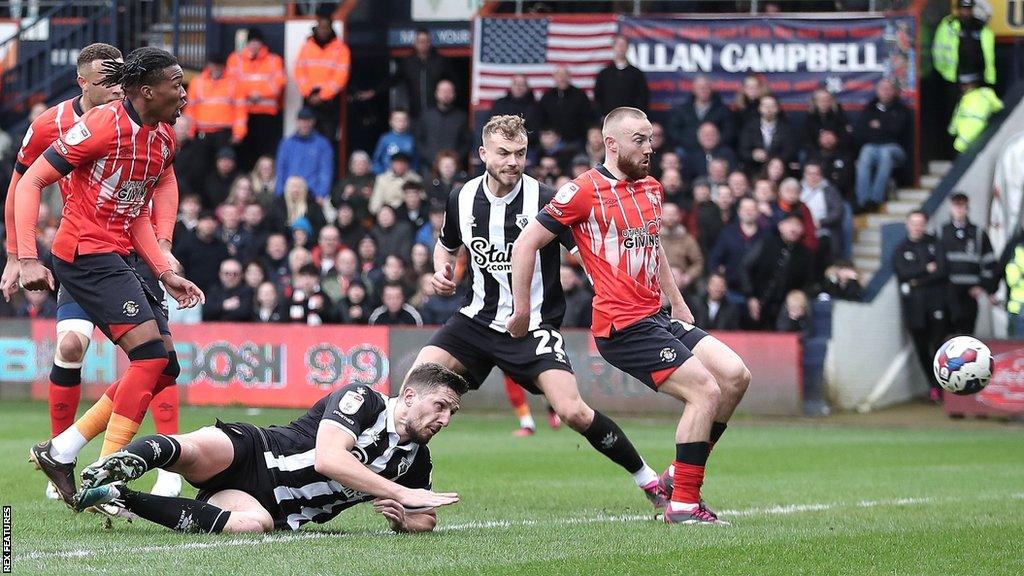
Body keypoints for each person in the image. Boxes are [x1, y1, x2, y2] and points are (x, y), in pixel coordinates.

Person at [413, 114, 667, 510]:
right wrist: (440, 270)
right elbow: (447, 243)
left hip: (532, 327)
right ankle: (408, 485)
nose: (512, 161)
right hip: (474, 321)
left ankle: (647, 479)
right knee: (416, 387)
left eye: (520, 153)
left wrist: (611, 282)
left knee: (573, 411)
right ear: (483, 154)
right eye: (503, 153)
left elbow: (586, 251)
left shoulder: (547, 197)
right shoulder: (460, 197)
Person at [510, 107, 751, 524]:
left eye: (651, 139)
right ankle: (683, 505)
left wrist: (677, 302)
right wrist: (522, 310)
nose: (648, 148)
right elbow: (526, 243)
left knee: (735, 376)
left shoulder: (652, 188)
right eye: (639, 140)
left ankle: (679, 474)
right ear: (611, 144)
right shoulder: (581, 192)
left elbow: (653, 248)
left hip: (657, 315)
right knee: (705, 392)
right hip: (622, 325)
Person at [16, 47, 204, 507]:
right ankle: (105, 473)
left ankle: (61, 450)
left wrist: (163, 269)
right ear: (146, 91)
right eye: (176, 84)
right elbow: (30, 181)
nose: (184, 92)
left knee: (164, 366)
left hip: (119, 256)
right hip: (83, 255)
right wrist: (24, 257)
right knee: (147, 357)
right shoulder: (101, 126)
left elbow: (136, 211)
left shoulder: (162, 140)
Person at [73, 364, 468, 534]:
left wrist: (403, 518)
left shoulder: (415, 460)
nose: (445, 420)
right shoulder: (362, 398)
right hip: (258, 450)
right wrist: (397, 491)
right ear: (411, 395)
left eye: (451, 412)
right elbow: (329, 458)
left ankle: (118, 495)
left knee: (252, 526)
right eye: (440, 407)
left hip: (275, 508)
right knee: (191, 452)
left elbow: (426, 517)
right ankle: (120, 463)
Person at [892, 211, 950, 403]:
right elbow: (903, 273)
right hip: (914, 308)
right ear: (907, 224)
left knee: (939, 346)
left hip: (935, 303)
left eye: (920, 223)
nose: (917, 226)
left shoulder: (935, 244)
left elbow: (941, 271)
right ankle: (933, 385)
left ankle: (942, 386)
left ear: (925, 225)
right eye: (913, 223)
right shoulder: (901, 249)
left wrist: (917, 280)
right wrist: (925, 269)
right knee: (922, 348)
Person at [740, 214, 814, 330]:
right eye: (790, 224)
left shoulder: (805, 254)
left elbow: (809, 283)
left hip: (786, 310)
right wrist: (750, 296)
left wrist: (796, 299)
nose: (793, 229)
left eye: (797, 225)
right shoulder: (766, 244)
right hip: (758, 302)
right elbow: (745, 268)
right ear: (781, 226)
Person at [227, 28, 286, 170]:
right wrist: (250, 93)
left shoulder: (274, 60)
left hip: (266, 115)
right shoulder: (236, 59)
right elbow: (231, 83)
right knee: (244, 152)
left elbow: (279, 83)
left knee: (264, 151)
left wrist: (258, 94)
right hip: (242, 114)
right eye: (251, 41)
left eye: (257, 42)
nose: (254, 45)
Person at [939, 193, 996, 335]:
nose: (959, 209)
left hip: (970, 292)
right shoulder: (941, 232)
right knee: (948, 332)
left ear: (967, 208)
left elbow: (989, 261)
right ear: (951, 208)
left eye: (962, 206)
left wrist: (982, 285)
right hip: (947, 290)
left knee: (967, 331)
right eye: (956, 206)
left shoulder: (977, 233)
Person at [932, 0, 995, 125]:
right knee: (953, 116)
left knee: (977, 114)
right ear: (958, 9)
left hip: (978, 80)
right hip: (954, 80)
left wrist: (988, 79)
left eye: (968, 8)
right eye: (963, 8)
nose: (966, 11)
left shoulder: (980, 27)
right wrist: (945, 72)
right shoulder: (949, 25)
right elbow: (938, 51)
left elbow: (988, 56)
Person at [853, 78, 911, 213]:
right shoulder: (870, 108)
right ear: (877, 91)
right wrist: (885, 127)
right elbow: (863, 131)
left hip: (896, 149)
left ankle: (876, 199)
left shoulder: (901, 110)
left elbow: (898, 131)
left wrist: (879, 126)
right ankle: (862, 201)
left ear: (895, 91)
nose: (885, 92)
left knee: (885, 153)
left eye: (889, 89)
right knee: (866, 151)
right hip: (873, 148)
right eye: (882, 89)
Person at [183, 52, 247, 175]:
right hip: (202, 133)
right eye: (214, 65)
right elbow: (190, 109)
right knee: (201, 167)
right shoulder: (197, 82)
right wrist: (190, 131)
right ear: (209, 65)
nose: (216, 69)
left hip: (224, 133)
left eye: (219, 66)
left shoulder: (234, 83)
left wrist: (239, 133)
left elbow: (240, 110)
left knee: (224, 168)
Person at [294, 8, 350, 144]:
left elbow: (341, 76)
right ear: (316, 27)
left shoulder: (341, 49)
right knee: (306, 138)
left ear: (331, 29)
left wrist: (323, 96)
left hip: (329, 102)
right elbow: (299, 71)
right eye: (321, 27)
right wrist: (308, 93)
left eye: (326, 27)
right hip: (309, 98)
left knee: (328, 139)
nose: (323, 31)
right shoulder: (307, 47)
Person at [275, 107, 333, 202]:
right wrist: (280, 193)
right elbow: (280, 169)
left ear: (313, 122)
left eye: (308, 121)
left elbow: (325, 171)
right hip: (289, 194)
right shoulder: (286, 143)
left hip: (312, 195)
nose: (304, 124)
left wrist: (321, 193)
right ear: (297, 122)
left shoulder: (322, 144)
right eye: (302, 121)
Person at [668, 75, 734, 155]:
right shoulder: (681, 110)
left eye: (706, 87)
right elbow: (674, 131)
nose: (703, 90)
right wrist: (689, 142)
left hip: (715, 150)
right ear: (694, 89)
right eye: (700, 87)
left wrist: (712, 143)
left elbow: (729, 132)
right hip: (687, 149)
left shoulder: (723, 110)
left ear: (711, 89)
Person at [415, 80, 469, 171]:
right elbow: (418, 141)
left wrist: (455, 159)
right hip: (429, 167)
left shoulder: (461, 117)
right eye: (443, 91)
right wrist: (430, 158)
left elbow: (467, 142)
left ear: (454, 95)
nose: (446, 94)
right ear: (436, 93)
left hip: (453, 168)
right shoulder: (426, 116)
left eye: (449, 91)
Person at [593, 35, 649, 117]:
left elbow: (643, 98)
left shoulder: (636, 74)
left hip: (631, 120)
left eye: (623, 45)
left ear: (627, 48)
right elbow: (598, 97)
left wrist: (637, 116)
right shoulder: (604, 74)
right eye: (618, 45)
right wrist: (602, 116)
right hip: (610, 119)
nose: (621, 48)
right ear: (613, 47)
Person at [538, 66, 594, 147]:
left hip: (576, 141)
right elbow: (541, 119)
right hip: (552, 142)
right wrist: (548, 134)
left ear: (569, 77)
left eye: (565, 75)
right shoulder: (547, 97)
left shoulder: (580, 95)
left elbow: (588, 118)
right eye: (559, 76)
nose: (562, 78)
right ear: (554, 78)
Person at [949, 80, 1003, 153]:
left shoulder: (964, 98)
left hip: (969, 130)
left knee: (960, 146)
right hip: (981, 125)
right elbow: (999, 107)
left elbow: (957, 116)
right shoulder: (986, 92)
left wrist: (952, 129)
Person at [371, 109, 416, 175]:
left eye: (404, 120)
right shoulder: (385, 138)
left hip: (406, 176)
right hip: (388, 175)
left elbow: (415, 160)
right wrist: (381, 173)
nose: (401, 122)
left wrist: (413, 172)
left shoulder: (411, 139)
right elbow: (376, 160)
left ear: (408, 122)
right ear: (391, 122)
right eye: (397, 119)